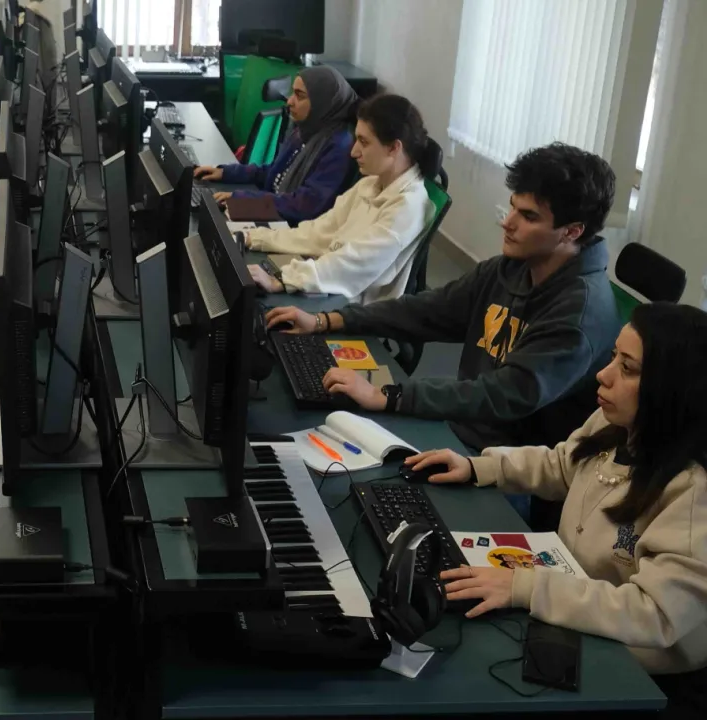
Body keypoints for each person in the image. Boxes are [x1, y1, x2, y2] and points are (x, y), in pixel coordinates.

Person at [405, 303, 707, 718]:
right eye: (613, 357)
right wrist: (479, 467)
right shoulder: (615, 421)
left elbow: (653, 614)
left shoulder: (692, 489)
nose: (604, 375)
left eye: (628, 368)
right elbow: (564, 464)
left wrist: (526, 588)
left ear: (672, 388)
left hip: (641, 670)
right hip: (573, 608)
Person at [265, 142, 620, 451]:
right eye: (512, 207)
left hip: (504, 464)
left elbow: (502, 395)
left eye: (528, 217)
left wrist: (388, 395)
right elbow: (430, 309)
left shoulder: (579, 312)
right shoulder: (513, 266)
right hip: (460, 428)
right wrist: (328, 320)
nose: (507, 222)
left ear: (572, 232)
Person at [242, 94, 436, 303]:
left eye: (364, 142)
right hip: (324, 279)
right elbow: (320, 231)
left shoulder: (409, 206)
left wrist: (283, 279)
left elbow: (354, 264)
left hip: (350, 306)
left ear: (393, 148)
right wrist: (257, 238)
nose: (354, 152)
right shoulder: (369, 184)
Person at [193, 65, 357, 224]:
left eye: (300, 96)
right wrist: (225, 173)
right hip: (276, 214)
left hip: (294, 229)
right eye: (292, 92)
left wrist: (245, 200)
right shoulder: (304, 131)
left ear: (322, 103)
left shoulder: (339, 146)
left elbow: (305, 205)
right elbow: (273, 172)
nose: (289, 101)